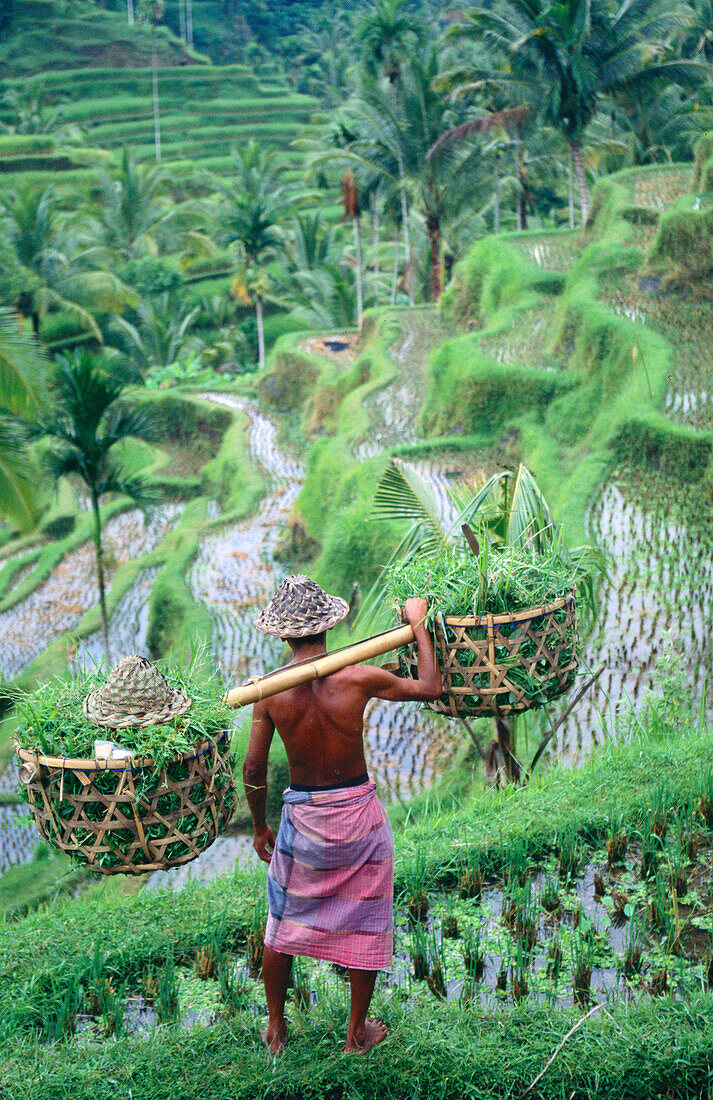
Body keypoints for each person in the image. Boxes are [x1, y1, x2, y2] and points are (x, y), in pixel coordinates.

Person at [243, 574, 441, 1055]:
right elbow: (431, 687)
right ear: (327, 627)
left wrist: (260, 825)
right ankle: (356, 1033)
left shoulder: (268, 692)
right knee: (366, 917)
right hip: (357, 817)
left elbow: (252, 766)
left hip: (304, 821)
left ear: (284, 635)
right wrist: (418, 624)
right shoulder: (358, 676)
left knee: (281, 921)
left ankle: (275, 1029)